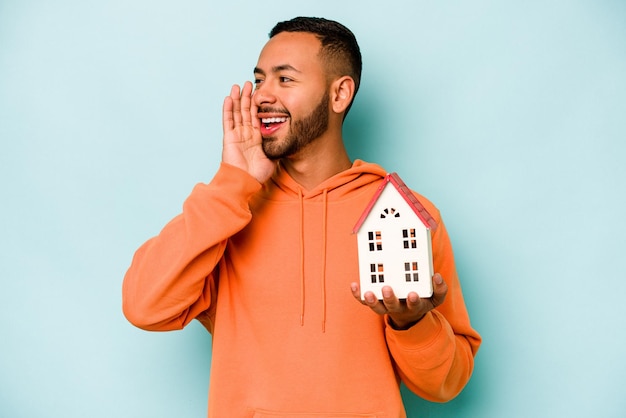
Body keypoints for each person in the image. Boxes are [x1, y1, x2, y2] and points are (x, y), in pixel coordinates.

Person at [122, 16, 481, 417]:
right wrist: (232, 182)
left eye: (285, 79)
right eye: (259, 80)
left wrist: (411, 324)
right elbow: (144, 306)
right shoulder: (230, 209)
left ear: (340, 93)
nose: (261, 96)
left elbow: (446, 383)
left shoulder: (404, 215)